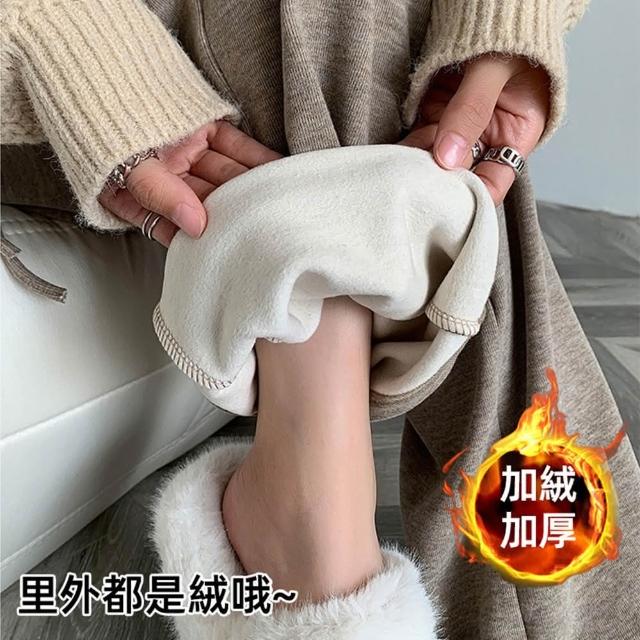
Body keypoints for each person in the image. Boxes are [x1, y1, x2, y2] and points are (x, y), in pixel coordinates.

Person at [3, 1, 639, 638]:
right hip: (55, 100)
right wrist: (71, 40)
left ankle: (310, 525)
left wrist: (506, 20)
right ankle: (316, 537)